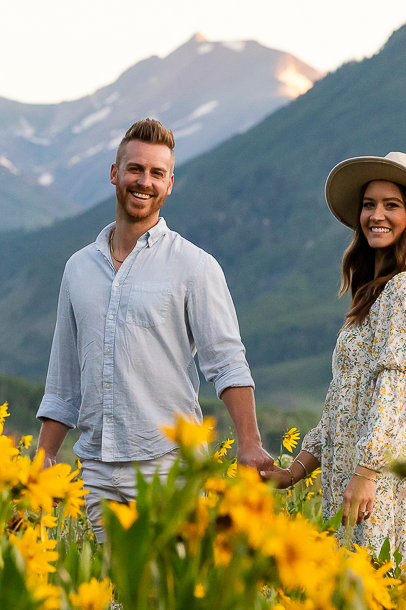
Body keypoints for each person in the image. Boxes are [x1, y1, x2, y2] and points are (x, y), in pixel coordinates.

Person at [36, 118, 275, 541]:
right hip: (96, 471)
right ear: (115, 174)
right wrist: (45, 454)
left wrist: (249, 442)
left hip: (169, 468)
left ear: (169, 185)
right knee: (110, 600)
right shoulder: (78, 269)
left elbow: (227, 362)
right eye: (135, 169)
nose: (143, 181)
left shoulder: (194, 266)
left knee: (164, 599)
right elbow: (64, 374)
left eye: (156, 173)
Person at [264, 152, 406, 559]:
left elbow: (395, 386)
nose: (376, 215)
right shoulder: (377, 292)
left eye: (392, 205)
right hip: (364, 475)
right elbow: (347, 401)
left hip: (386, 479)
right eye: (369, 204)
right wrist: (293, 471)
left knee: (381, 603)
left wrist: (367, 471)